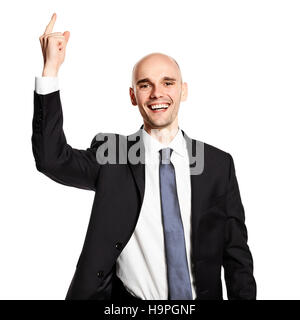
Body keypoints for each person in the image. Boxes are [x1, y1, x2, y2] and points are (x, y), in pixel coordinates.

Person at [32, 13, 256, 300]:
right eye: (145, 84)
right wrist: (51, 68)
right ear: (133, 95)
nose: (157, 93)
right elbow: (52, 160)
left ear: (183, 90)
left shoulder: (217, 164)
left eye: (168, 82)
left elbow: (237, 255)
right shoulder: (112, 155)